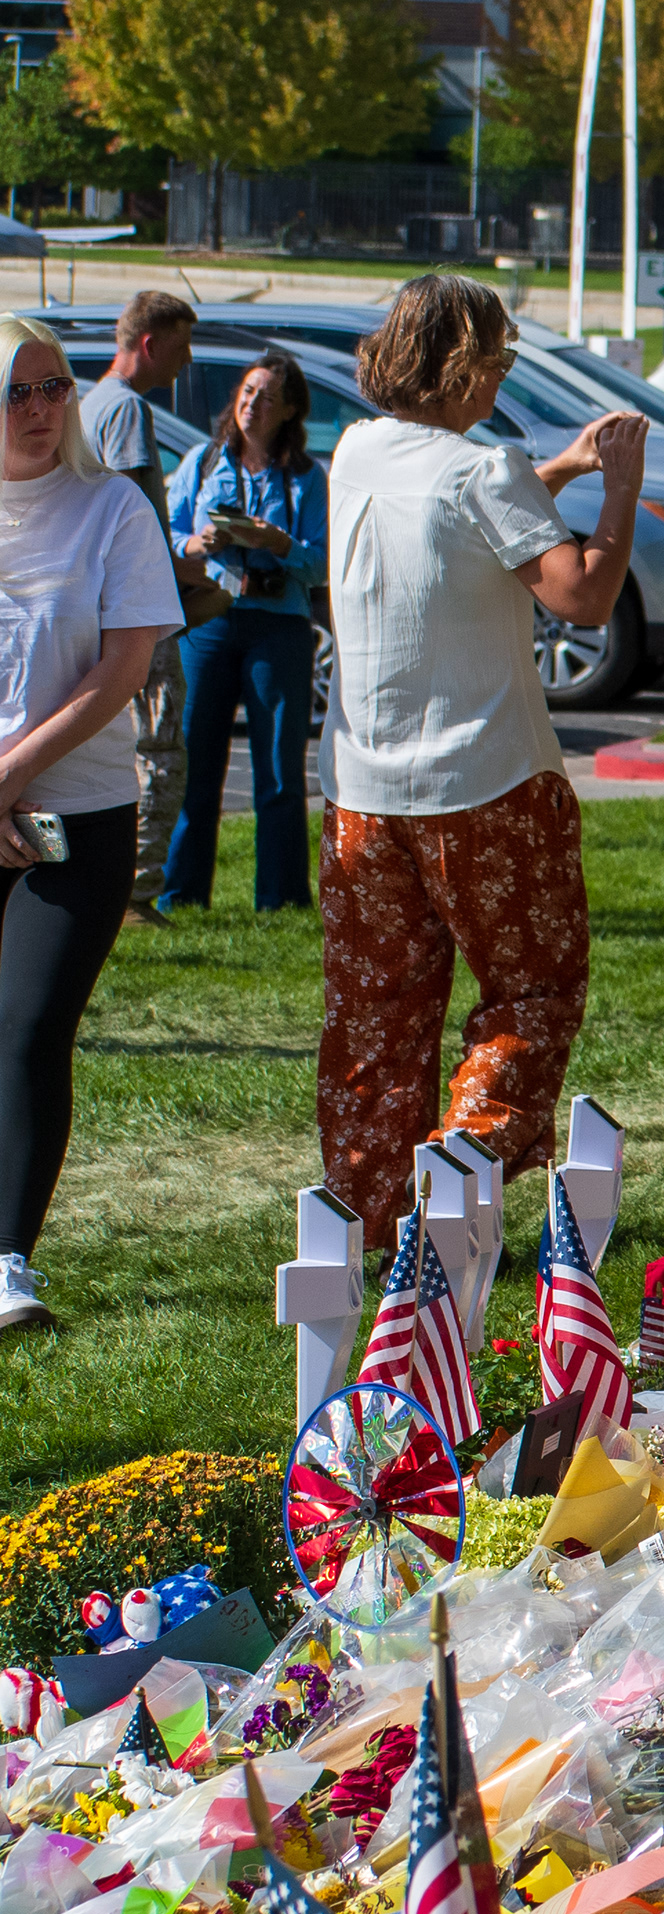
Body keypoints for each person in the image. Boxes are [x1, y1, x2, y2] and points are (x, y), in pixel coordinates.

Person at [318, 273, 642, 1223]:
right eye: (496, 362)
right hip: (488, 782)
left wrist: (566, 468)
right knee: (533, 993)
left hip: (362, 790)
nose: (499, 381)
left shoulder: (358, 453)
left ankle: (368, 1214)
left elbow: (454, 523)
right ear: (464, 368)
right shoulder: (482, 469)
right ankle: (460, 1171)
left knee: (376, 1013)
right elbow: (580, 593)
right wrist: (616, 489)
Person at [0, 319, 186, 1331]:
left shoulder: (111, 506)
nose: (37, 410)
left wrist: (11, 777)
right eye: (15, 393)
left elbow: (121, 672)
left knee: (29, 1028)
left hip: (76, 811)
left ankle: (7, 1261)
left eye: (52, 388)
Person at [162, 350, 326, 912]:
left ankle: (280, 901)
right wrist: (199, 543)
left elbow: (323, 565)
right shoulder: (204, 462)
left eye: (268, 398)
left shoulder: (307, 477)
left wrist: (282, 545)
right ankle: (179, 895)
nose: (253, 405)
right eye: (248, 392)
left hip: (278, 628)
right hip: (211, 621)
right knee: (195, 763)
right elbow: (169, 534)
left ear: (289, 412)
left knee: (280, 770)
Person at [75, 290, 198, 929]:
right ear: (149, 345)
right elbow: (132, 509)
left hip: (97, 607)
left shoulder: (89, 404)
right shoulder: (125, 410)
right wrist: (183, 570)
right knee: (160, 742)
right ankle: (136, 892)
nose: (185, 363)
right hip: (134, 608)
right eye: (180, 348)